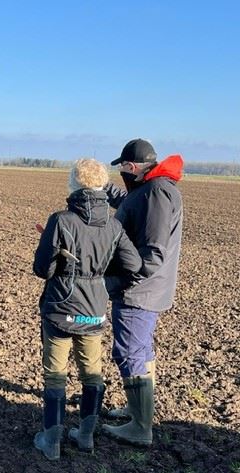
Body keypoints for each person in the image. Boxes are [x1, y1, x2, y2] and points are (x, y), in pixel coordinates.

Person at [32, 158, 142, 459]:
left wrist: (53, 250)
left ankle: (51, 442)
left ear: (74, 184)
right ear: (102, 185)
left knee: (55, 375)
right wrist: (103, 283)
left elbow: (42, 269)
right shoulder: (114, 226)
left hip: (59, 309)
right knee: (92, 374)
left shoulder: (61, 220)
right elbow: (134, 266)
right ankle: (85, 437)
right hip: (93, 311)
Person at [102, 139, 184, 446]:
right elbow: (132, 205)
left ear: (131, 166)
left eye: (122, 167)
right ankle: (139, 410)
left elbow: (152, 254)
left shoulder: (157, 192)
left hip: (138, 292)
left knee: (130, 353)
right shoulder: (150, 188)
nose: (121, 172)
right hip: (142, 289)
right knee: (141, 351)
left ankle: (140, 426)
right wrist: (103, 188)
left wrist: (122, 281)